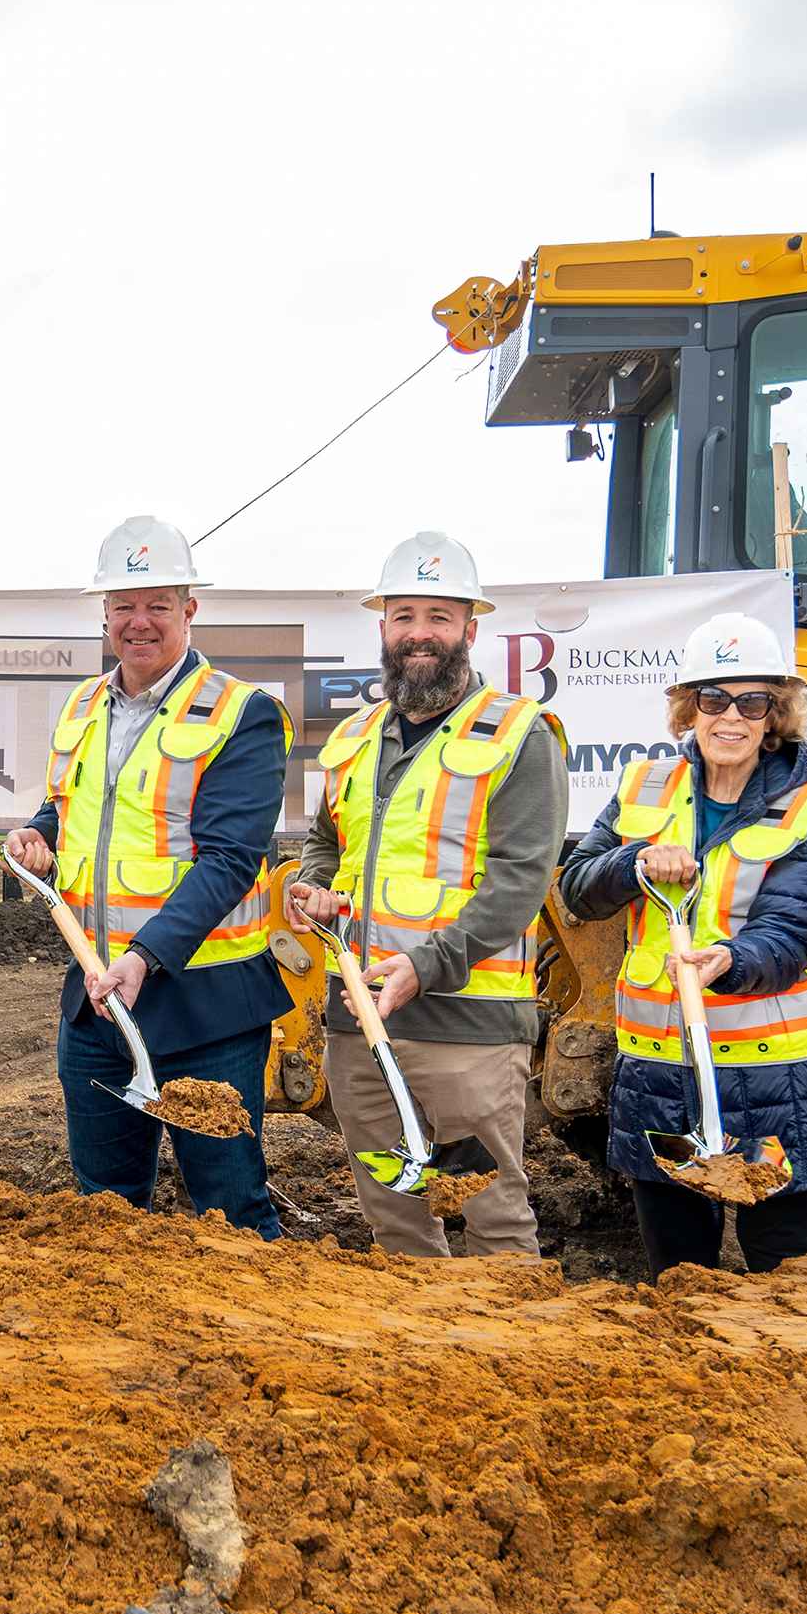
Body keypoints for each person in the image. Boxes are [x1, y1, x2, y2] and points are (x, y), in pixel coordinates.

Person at [6, 516, 291, 1238]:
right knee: (104, 1209)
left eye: (158, 604)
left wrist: (144, 955)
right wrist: (38, 837)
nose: (139, 622)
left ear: (189, 611)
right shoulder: (80, 707)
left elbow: (230, 858)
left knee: (230, 1213)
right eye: (124, 605)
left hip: (207, 1011)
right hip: (96, 1005)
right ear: (103, 614)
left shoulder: (241, 713)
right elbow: (62, 807)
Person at [556, 613, 807, 1277]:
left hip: (781, 1081)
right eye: (713, 698)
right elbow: (577, 889)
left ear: (773, 714)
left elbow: (792, 932)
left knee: (795, 1276)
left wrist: (728, 959)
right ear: (687, 709)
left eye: (751, 702)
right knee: (678, 1275)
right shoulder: (643, 788)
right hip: (665, 1078)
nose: (731, 717)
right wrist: (635, 862)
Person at [288, 533, 568, 1257]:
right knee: (397, 1220)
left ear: (470, 629)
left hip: (466, 1029)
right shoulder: (352, 738)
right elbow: (326, 841)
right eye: (404, 614)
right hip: (360, 1024)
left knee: (493, 1218)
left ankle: (507, 1363)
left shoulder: (518, 734)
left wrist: (427, 964)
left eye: (439, 616)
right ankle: (420, 1367)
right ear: (383, 627)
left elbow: (522, 877)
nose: (420, 632)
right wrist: (314, 885)